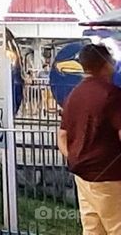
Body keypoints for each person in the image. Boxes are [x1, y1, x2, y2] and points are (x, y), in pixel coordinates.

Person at [57, 43, 121, 235]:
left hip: (82, 175)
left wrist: (75, 158)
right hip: (110, 174)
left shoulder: (74, 94)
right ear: (107, 64)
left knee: (93, 228)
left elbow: (61, 136)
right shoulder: (113, 94)